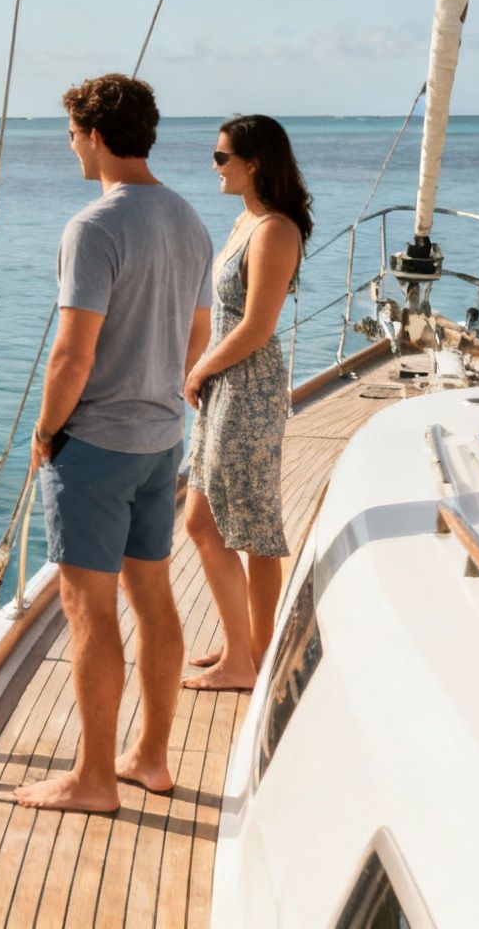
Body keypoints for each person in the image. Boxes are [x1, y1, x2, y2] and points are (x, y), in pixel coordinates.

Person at [15, 73, 213, 814]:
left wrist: (45, 432)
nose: (70, 147)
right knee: (153, 598)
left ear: (95, 135)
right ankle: (151, 760)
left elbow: (72, 354)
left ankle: (94, 778)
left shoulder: (93, 228)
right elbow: (198, 335)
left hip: (96, 444)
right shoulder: (189, 218)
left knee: (89, 612)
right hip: (162, 439)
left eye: (71, 134)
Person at [179, 114, 311, 692]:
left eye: (221, 156)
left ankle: (245, 657)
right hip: (226, 384)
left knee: (246, 526)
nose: (215, 165)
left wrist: (201, 368)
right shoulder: (245, 221)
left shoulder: (276, 231)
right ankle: (246, 651)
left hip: (248, 385)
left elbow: (258, 325)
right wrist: (203, 370)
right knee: (204, 519)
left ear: (253, 162)